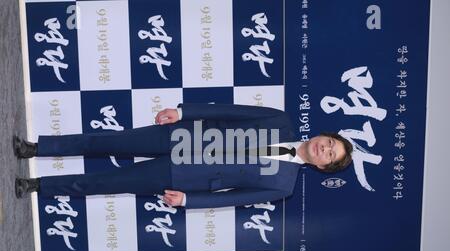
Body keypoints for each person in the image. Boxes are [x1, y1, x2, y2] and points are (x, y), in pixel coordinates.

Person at [13, 103, 353, 209]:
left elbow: (232, 200)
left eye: (330, 155)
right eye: (330, 143)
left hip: (183, 178)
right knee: (103, 142)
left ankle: (36, 185)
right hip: (180, 136)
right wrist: (184, 111)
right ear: (324, 135)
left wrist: (189, 201)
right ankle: (36, 148)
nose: (325, 148)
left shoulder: (284, 187)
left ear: (324, 166)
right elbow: (230, 111)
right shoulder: (280, 120)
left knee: (106, 182)